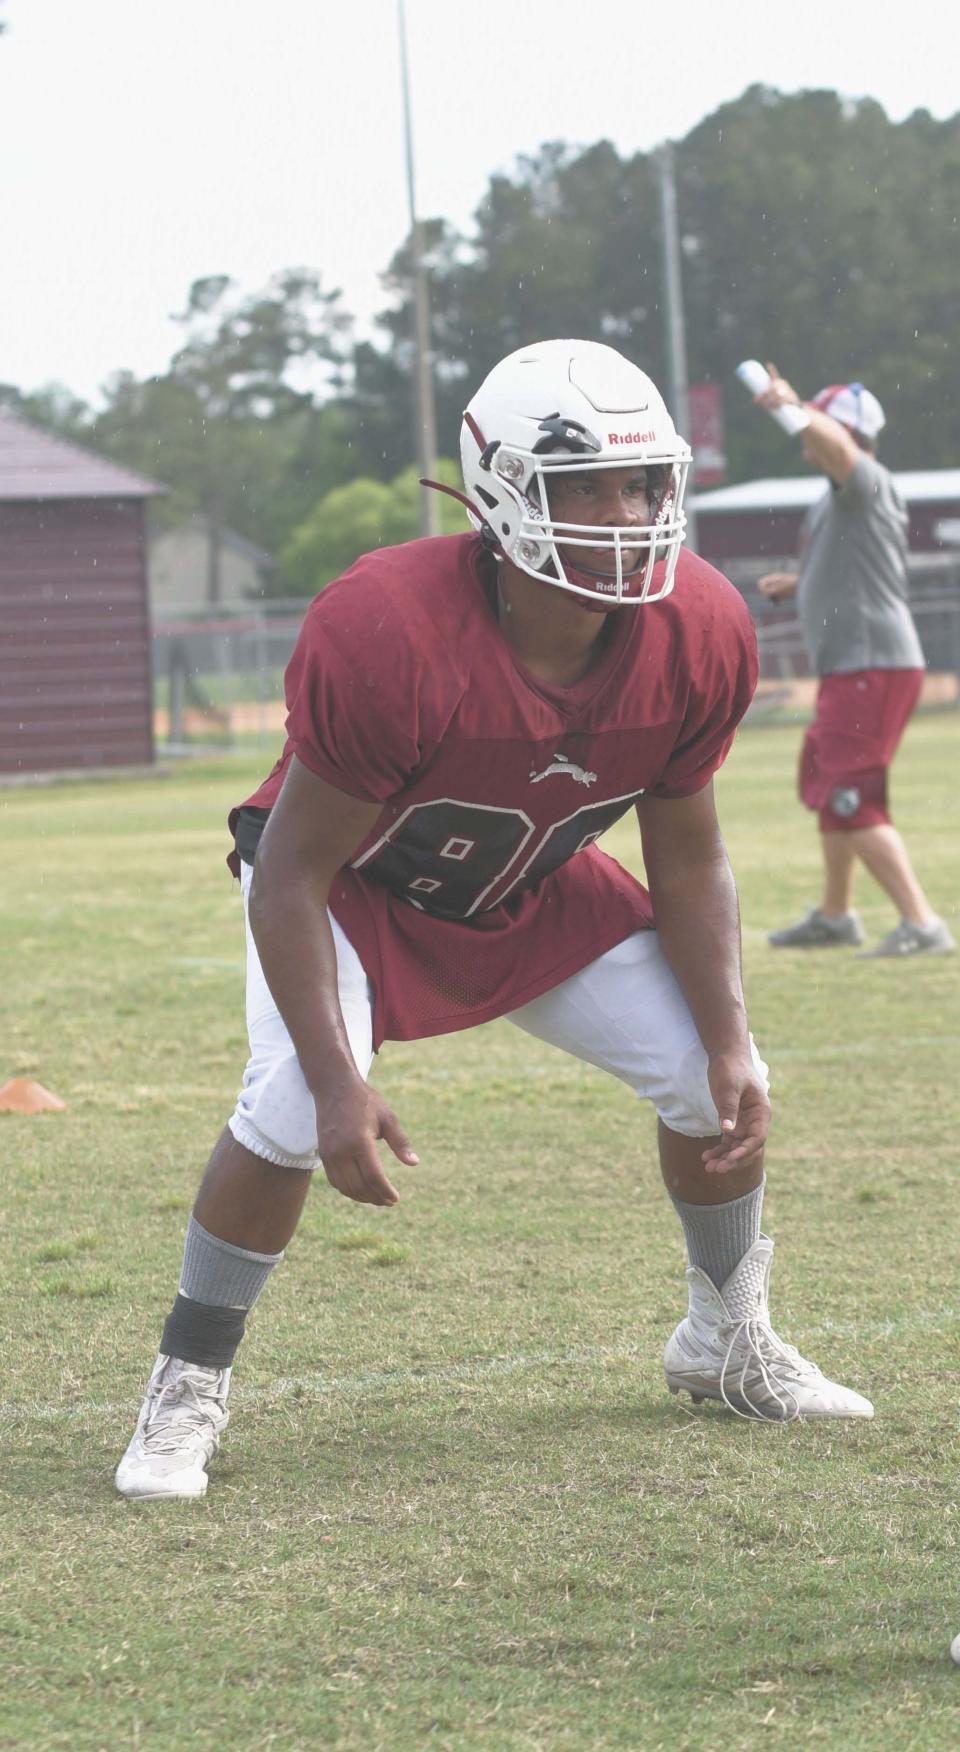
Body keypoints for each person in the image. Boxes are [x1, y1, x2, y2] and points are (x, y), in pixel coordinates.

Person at [115, 340, 873, 1502]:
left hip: (529, 884)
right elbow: (292, 871)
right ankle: (185, 1385)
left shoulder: (702, 626)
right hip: (359, 890)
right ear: (500, 491)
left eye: (641, 483)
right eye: (584, 487)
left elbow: (690, 850)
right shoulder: (388, 624)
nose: (624, 514)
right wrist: (333, 1079)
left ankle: (727, 1337)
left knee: (712, 1074)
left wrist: (728, 1033)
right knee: (279, 1104)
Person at [755, 367, 954, 957]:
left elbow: (837, 446)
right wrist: (800, 584)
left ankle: (922, 924)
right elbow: (857, 569)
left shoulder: (862, 478)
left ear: (844, 433)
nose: (803, 432)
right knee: (829, 779)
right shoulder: (840, 496)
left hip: (873, 663)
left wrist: (790, 403)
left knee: (849, 791)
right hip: (856, 665)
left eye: (815, 420)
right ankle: (836, 914)